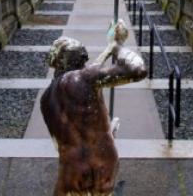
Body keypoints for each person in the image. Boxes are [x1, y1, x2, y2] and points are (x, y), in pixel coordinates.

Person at [40, 20, 147, 196]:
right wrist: (118, 47)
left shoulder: (45, 100)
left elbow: (62, 142)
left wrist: (107, 50)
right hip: (101, 165)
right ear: (81, 59)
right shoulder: (85, 78)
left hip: (70, 173)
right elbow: (137, 70)